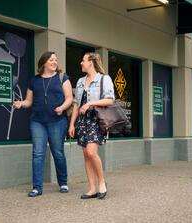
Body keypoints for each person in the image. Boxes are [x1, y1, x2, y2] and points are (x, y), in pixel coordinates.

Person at [13, 51, 73, 197]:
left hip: (57, 121)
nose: (54, 62)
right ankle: (37, 187)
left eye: (56, 60)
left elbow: (69, 98)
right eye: (51, 60)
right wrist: (21, 103)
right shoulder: (34, 81)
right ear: (44, 62)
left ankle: (63, 182)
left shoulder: (62, 78)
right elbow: (29, 101)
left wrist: (62, 108)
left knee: (57, 152)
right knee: (38, 153)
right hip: (37, 121)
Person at [68, 52, 115, 200]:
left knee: (91, 152)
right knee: (86, 156)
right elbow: (76, 104)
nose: (81, 63)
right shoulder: (81, 81)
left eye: (83, 61)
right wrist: (72, 124)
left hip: (96, 120)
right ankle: (92, 188)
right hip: (83, 121)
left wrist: (90, 103)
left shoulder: (104, 79)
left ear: (91, 62)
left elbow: (109, 100)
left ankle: (102, 183)